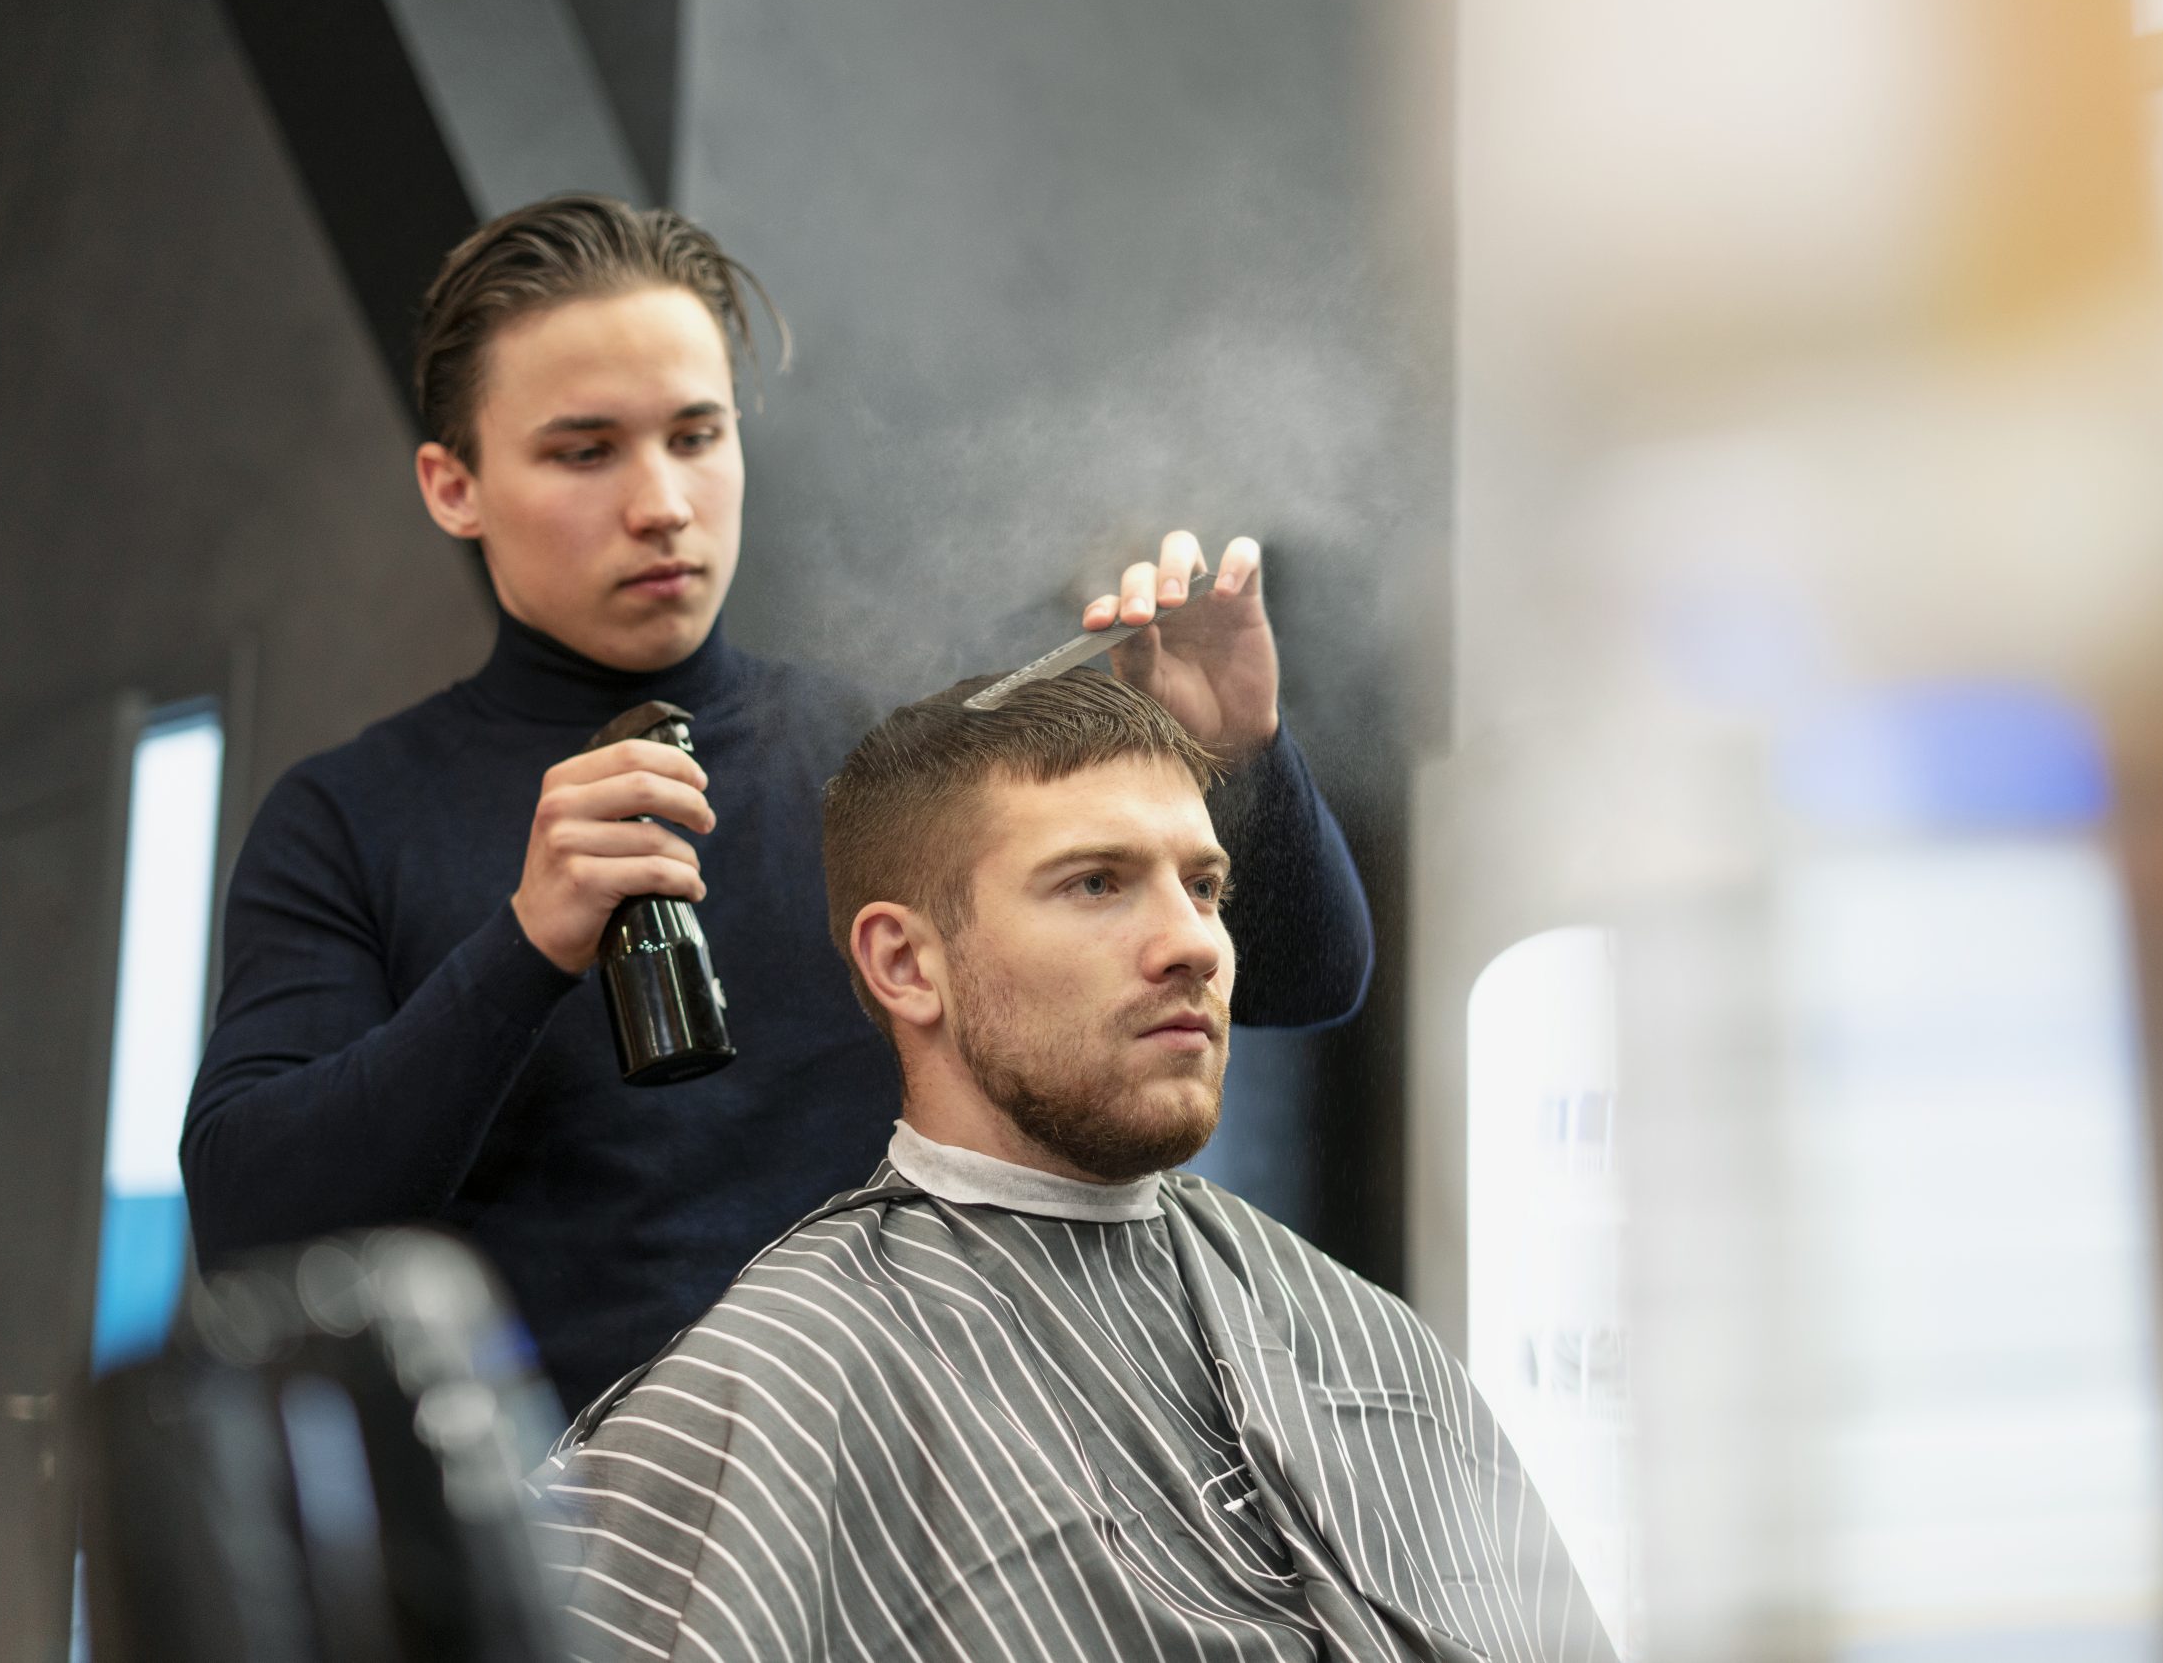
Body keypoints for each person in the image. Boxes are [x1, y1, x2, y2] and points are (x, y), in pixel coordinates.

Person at [181, 195, 1374, 1414]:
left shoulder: (887, 763)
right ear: (454, 486)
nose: (662, 501)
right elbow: (246, 1219)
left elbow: (1300, 981)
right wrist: (524, 948)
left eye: (696, 435)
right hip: (554, 1513)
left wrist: (1239, 755)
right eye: (585, 452)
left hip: (907, 1477)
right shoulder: (350, 819)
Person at [533, 672, 1613, 1663]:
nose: (1194, 943)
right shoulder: (789, 1378)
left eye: (1204, 886)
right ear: (907, 963)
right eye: (1097, 882)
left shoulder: (1353, 1329)